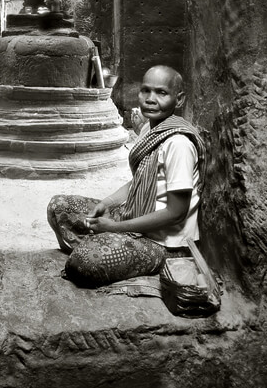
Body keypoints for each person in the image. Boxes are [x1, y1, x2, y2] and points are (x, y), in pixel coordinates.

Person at [47, 65, 206, 287]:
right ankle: (109, 243)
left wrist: (113, 228)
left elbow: (176, 212)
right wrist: (107, 202)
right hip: (132, 215)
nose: (151, 99)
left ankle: (111, 245)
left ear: (179, 100)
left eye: (161, 93)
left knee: (84, 262)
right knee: (60, 206)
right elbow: (139, 181)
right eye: (146, 91)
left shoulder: (178, 144)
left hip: (164, 245)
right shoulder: (149, 131)